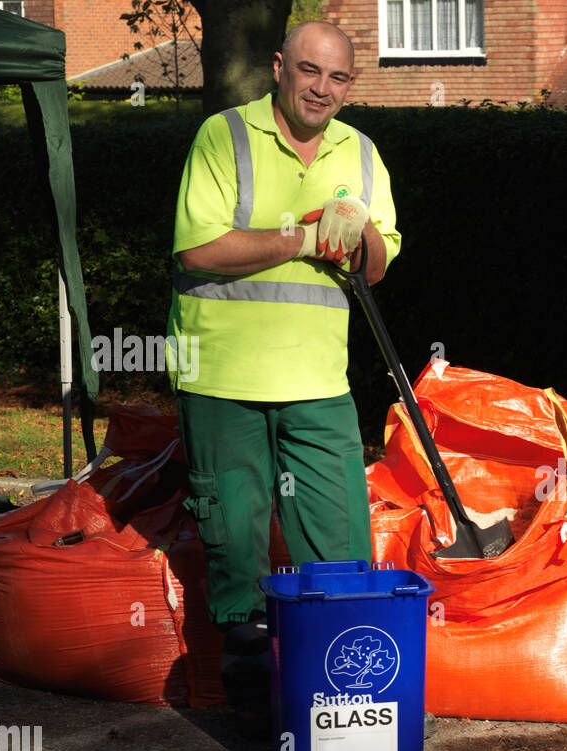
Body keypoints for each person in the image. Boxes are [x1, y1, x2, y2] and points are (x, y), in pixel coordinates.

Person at [165, 20, 400, 672]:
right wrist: (301, 237)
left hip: (319, 385)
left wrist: (359, 236)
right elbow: (197, 247)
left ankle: (341, 677)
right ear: (279, 67)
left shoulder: (360, 152)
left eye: (336, 77)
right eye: (308, 70)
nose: (321, 89)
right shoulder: (225, 136)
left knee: (342, 547)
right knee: (236, 550)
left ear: (350, 85)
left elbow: (377, 263)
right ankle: (249, 700)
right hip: (222, 379)